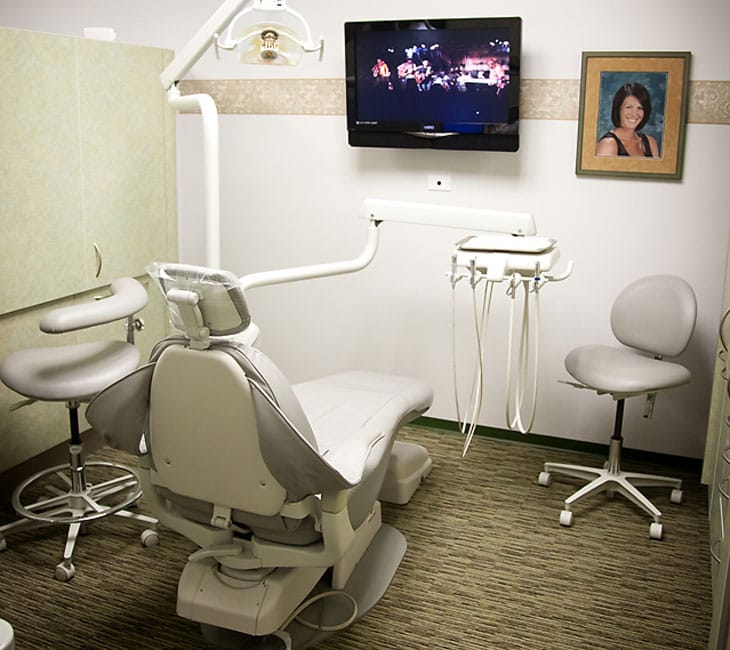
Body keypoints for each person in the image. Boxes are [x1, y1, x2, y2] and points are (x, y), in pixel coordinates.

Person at [596, 82, 659, 158]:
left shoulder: (651, 143)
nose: (634, 114)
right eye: (629, 107)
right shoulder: (608, 145)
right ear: (618, 108)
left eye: (640, 108)